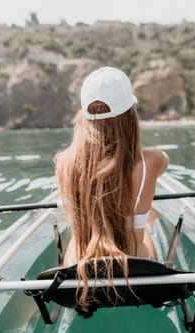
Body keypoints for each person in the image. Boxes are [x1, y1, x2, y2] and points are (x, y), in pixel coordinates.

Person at [54, 66, 169, 308]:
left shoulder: (64, 163)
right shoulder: (154, 161)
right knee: (146, 223)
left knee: (77, 236)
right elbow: (156, 167)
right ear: (131, 113)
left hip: (81, 271)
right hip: (135, 268)